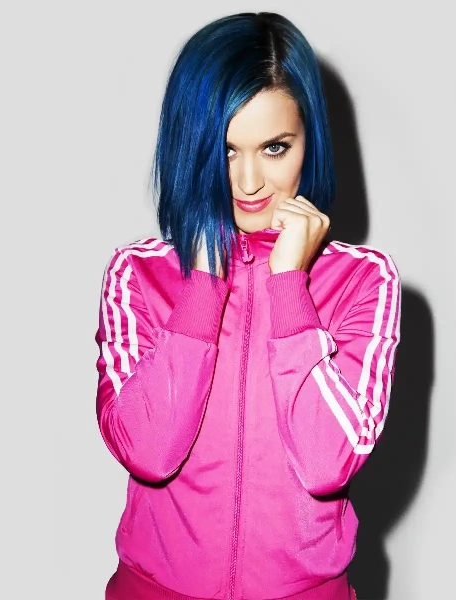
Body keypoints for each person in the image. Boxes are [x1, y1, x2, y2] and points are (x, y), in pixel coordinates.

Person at [95, 11, 401, 600]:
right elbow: (149, 452)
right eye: (226, 150)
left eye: (275, 147)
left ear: (309, 141)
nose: (250, 181)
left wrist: (289, 287)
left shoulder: (363, 281)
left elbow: (327, 463)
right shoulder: (137, 275)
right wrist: (203, 282)